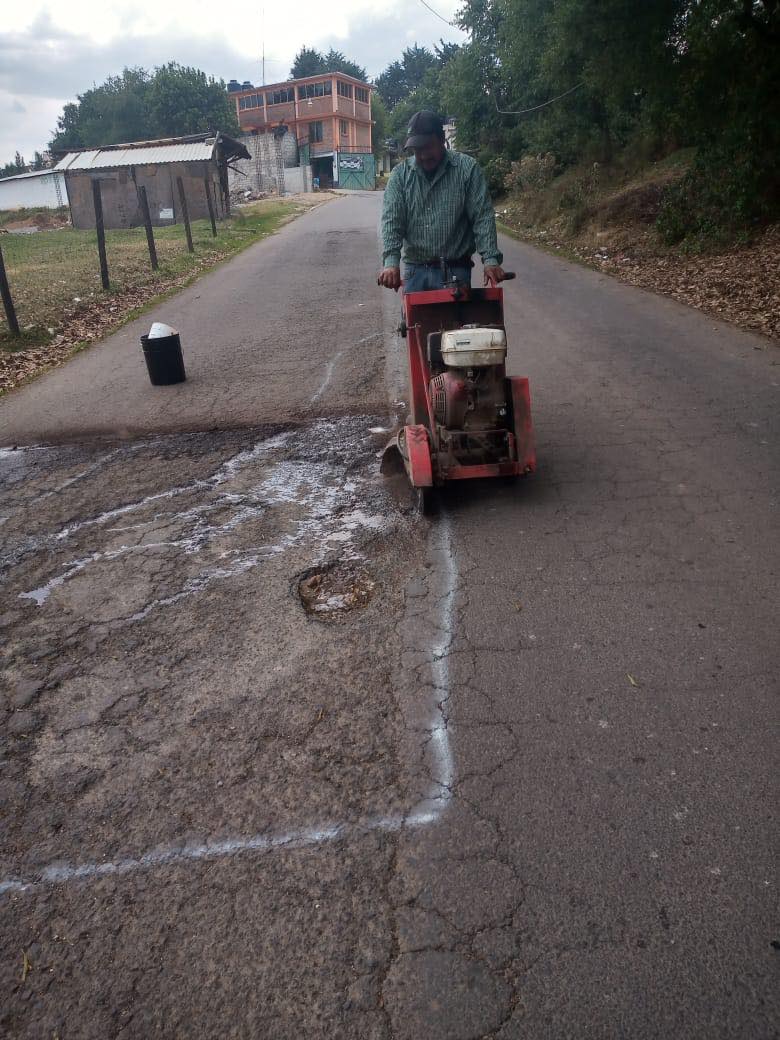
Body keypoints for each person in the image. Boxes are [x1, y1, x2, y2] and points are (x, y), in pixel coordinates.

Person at [377, 111, 507, 294]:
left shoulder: (467, 170)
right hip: (416, 272)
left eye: (427, 147)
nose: (422, 155)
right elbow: (392, 222)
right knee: (416, 323)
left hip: (457, 271)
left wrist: (490, 260)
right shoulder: (400, 176)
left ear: (441, 139)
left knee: (459, 322)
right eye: (417, 150)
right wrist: (391, 263)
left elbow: (482, 217)